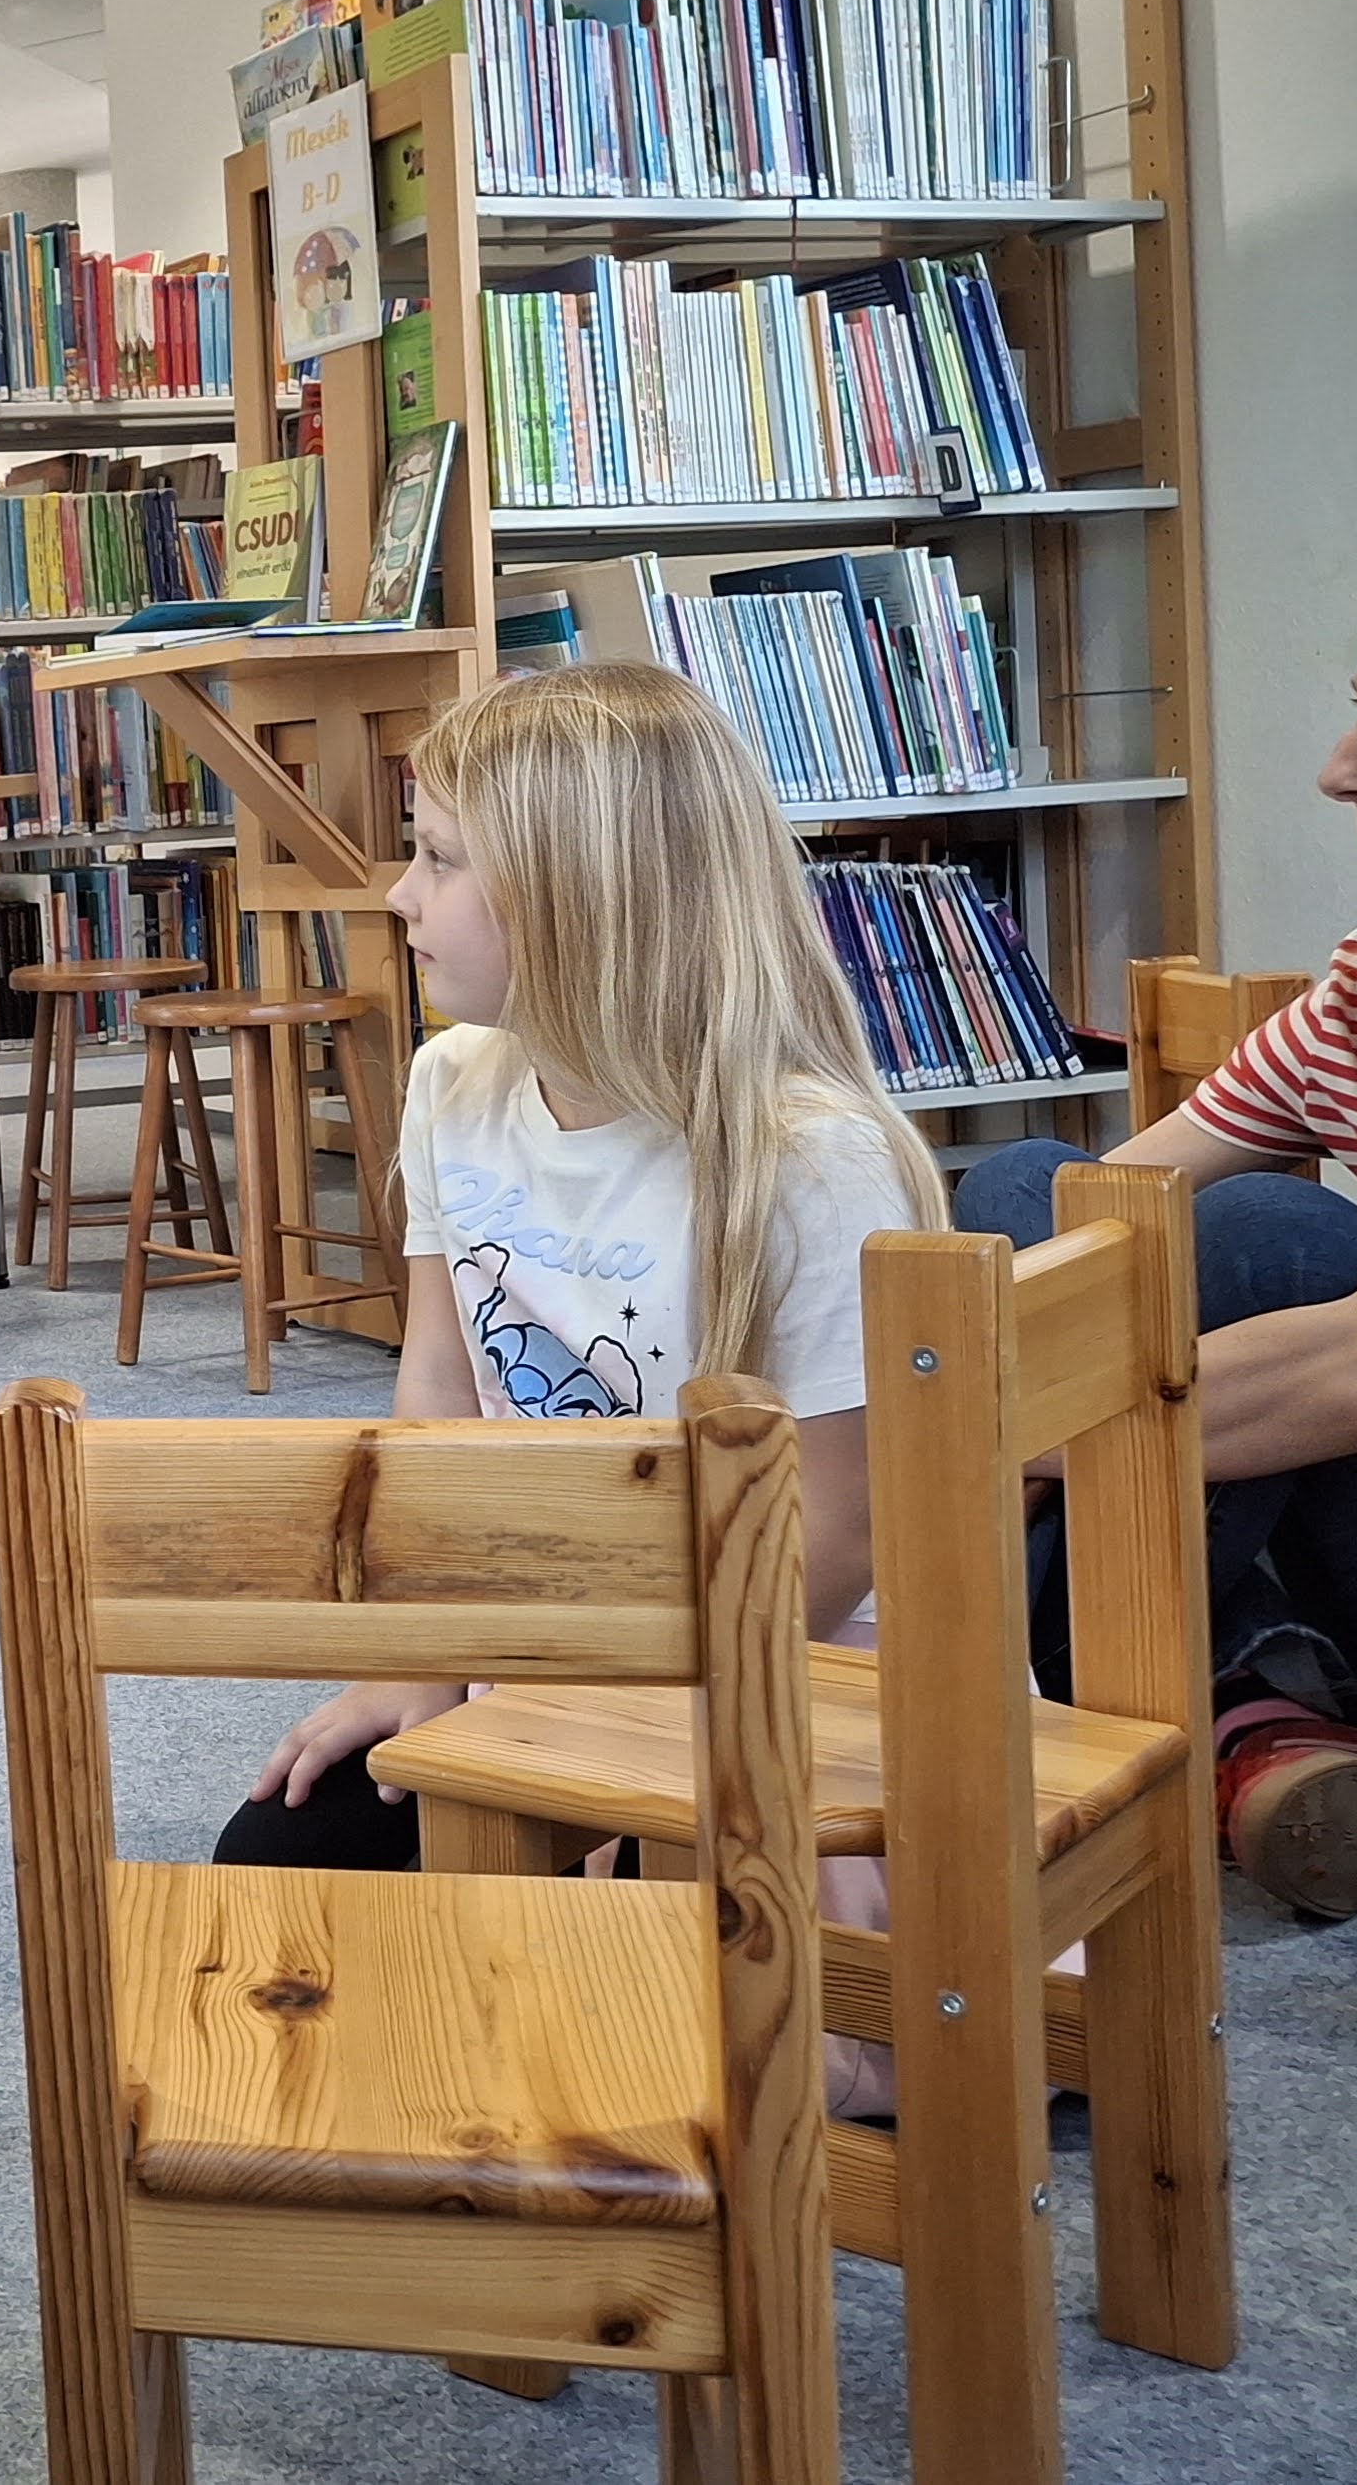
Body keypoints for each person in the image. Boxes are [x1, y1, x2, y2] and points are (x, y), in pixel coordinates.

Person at [219, 663, 943, 1869]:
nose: (399, 894)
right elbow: (440, 1393)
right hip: (553, 1640)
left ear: (580, 898)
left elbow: (837, 1536)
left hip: (790, 1671)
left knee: (628, 1946)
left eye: (439, 858)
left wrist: (628, 1745)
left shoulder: (814, 1161)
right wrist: (420, 1660)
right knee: (284, 1866)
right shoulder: (452, 1084)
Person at [959, 561, 1357, 1921]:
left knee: (1269, 1240)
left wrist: (976, 1437)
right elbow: (1099, 1208)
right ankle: (1242, 1706)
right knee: (1030, 1183)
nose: (1341, 771)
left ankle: (1020, 1686)